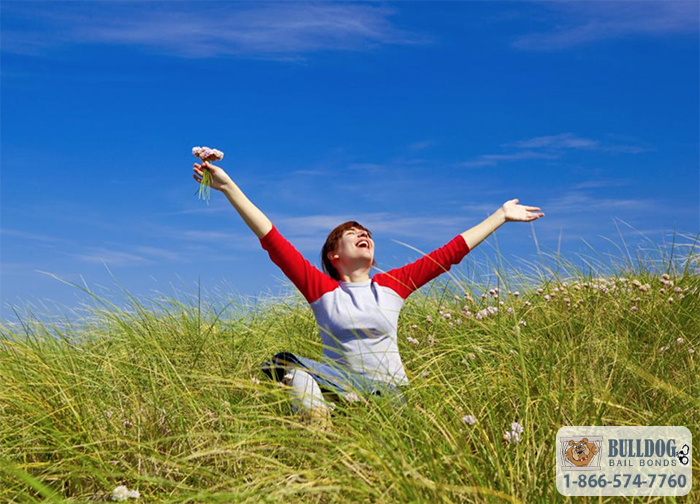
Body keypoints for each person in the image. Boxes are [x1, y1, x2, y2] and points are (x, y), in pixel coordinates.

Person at [192, 160, 545, 428]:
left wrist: (500, 216)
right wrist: (228, 187)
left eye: (367, 233)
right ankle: (319, 430)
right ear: (334, 254)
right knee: (288, 365)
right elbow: (272, 239)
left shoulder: (391, 286)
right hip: (340, 389)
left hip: (389, 394)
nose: (364, 235)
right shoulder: (321, 289)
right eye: (352, 233)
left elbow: (448, 253)